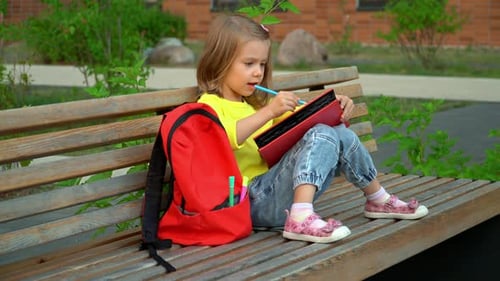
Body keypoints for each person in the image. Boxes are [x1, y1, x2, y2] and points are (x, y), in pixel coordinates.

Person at [196, 14, 428, 243]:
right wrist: (268, 112)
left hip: (277, 194)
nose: (258, 72)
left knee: (336, 131)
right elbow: (222, 138)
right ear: (221, 62)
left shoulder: (252, 104)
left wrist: (332, 107)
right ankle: (300, 218)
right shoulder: (209, 104)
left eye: (262, 64)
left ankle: (378, 198)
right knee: (322, 133)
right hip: (250, 202)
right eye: (249, 64)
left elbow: (305, 123)